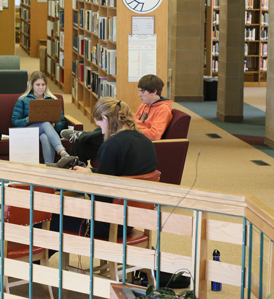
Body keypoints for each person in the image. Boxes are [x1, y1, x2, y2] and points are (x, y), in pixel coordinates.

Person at [52, 97, 158, 239]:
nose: (101, 132)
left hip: (108, 224)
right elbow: (121, 176)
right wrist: (91, 171)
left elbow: (102, 196)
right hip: (132, 220)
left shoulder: (110, 146)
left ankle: (36, 260)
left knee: (50, 216)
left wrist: (82, 181)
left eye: (100, 126)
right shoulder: (146, 142)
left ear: (105, 118)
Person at [59, 74, 172, 166]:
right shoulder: (144, 104)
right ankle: (73, 169)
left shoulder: (163, 109)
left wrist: (130, 129)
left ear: (154, 92)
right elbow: (133, 120)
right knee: (81, 144)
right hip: (127, 135)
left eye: (142, 92)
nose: (139, 95)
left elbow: (155, 134)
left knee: (111, 129)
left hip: (134, 141)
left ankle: (83, 135)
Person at [11, 71, 71, 164]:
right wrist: (28, 119)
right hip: (29, 131)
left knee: (45, 137)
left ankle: (49, 165)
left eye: (43, 84)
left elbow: (62, 122)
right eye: (37, 84)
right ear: (32, 85)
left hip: (46, 131)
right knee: (45, 123)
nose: (41, 87)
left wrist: (54, 125)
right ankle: (62, 152)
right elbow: (15, 121)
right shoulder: (23, 100)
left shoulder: (52, 100)